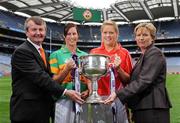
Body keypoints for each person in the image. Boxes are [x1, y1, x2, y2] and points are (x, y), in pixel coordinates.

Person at [10, 16, 84, 123]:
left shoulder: (42, 51)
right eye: (34, 29)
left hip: (41, 109)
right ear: (26, 32)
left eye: (41, 29)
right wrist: (66, 92)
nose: (38, 33)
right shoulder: (22, 51)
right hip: (27, 111)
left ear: (45, 31)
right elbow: (41, 77)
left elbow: (49, 77)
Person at [104, 23, 172, 123]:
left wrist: (118, 93)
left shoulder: (154, 53)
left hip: (152, 108)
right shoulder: (143, 56)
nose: (141, 38)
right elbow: (133, 80)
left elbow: (144, 81)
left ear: (152, 38)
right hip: (144, 107)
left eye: (145, 35)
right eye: (138, 35)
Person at [90, 20, 133, 123]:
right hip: (99, 97)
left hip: (118, 97)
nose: (108, 35)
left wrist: (119, 69)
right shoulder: (94, 52)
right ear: (101, 34)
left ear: (117, 34)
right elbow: (89, 77)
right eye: (105, 32)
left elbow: (129, 80)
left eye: (111, 32)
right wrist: (91, 90)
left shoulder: (124, 53)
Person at [49, 23, 91, 123]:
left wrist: (89, 91)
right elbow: (53, 81)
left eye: (74, 34)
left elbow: (89, 78)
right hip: (64, 101)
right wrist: (66, 69)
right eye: (69, 34)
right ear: (64, 36)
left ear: (78, 35)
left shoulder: (85, 56)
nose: (72, 37)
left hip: (82, 100)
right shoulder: (55, 55)